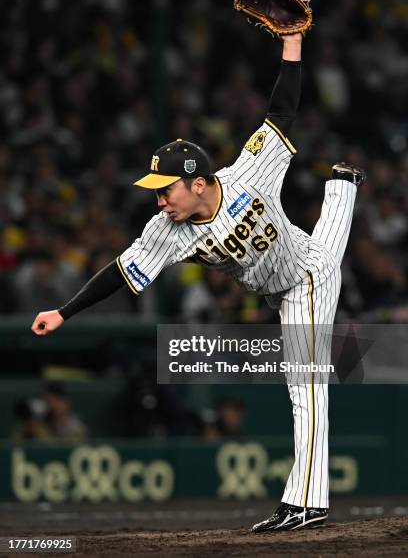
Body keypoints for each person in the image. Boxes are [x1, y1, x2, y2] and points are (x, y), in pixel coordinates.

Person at [32, 32, 365, 531]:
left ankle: (306, 501)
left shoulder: (250, 172)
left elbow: (281, 114)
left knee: (307, 383)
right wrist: (64, 311)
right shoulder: (166, 230)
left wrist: (292, 45)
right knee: (327, 247)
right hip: (280, 284)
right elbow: (120, 271)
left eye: (166, 190)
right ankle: (341, 189)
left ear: (198, 182)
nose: (159, 200)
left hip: (304, 280)